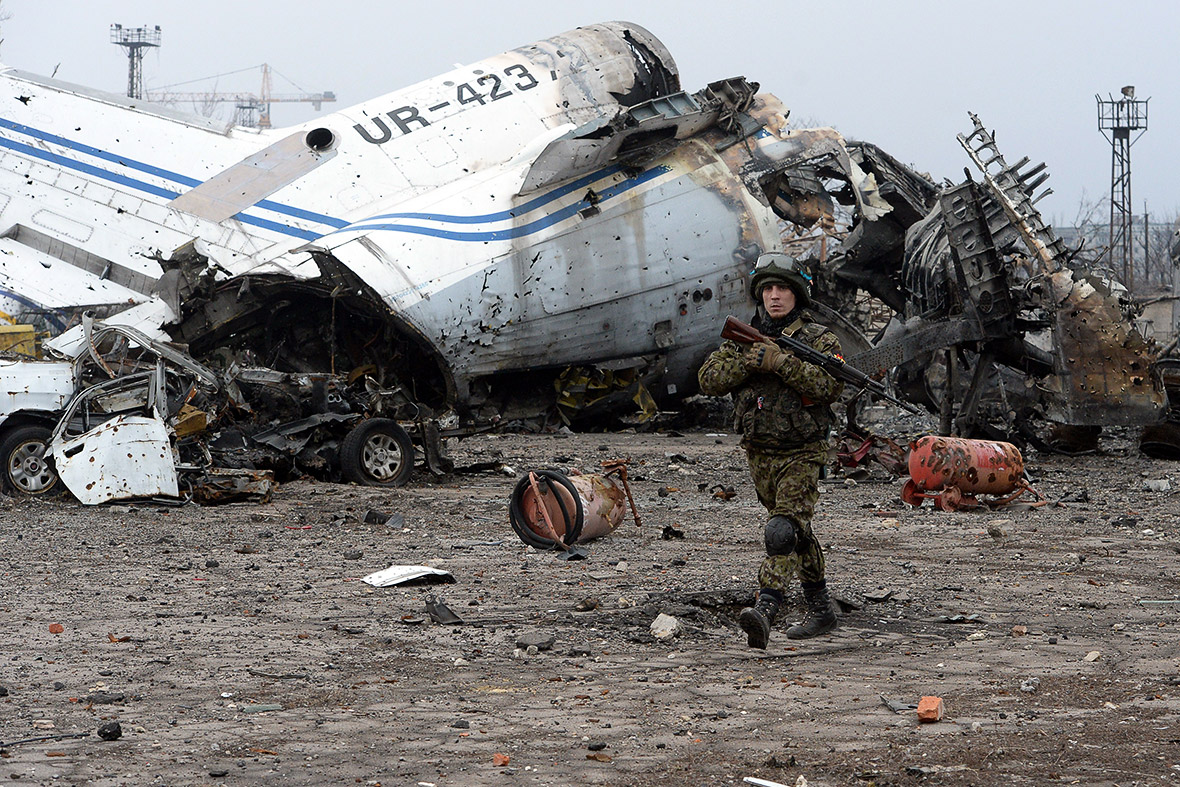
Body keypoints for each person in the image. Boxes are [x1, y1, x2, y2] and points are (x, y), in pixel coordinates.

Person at [697, 253, 844, 648]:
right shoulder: (743, 338)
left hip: (803, 450)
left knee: (780, 532)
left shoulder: (819, 340)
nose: (774, 297)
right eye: (767, 290)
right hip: (759, 452)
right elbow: (708, 379)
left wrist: (782, 362)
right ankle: (821, 610)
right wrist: (751, 363)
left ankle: (766, 608)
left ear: (797, 294)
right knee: (797, 531)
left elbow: (831, 386)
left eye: (782, 289)